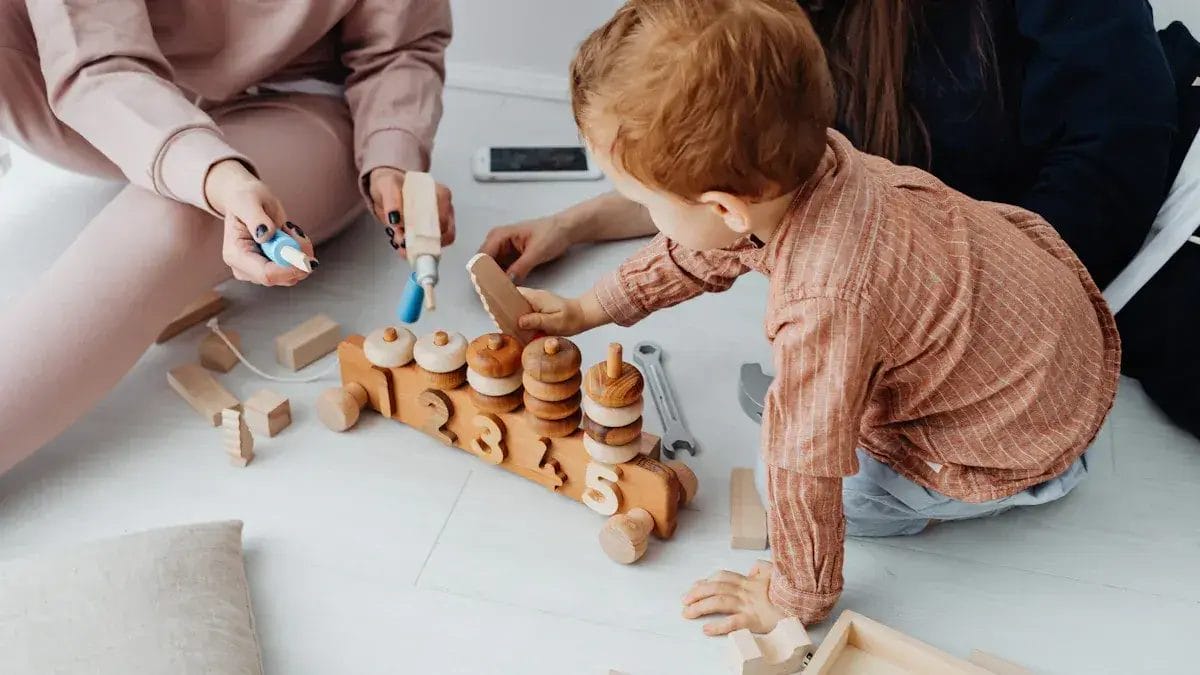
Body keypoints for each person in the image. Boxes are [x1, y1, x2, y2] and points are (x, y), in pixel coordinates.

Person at [515, 0, 1119, 631]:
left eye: (641, 200)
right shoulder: (815, 164)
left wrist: (791, 598)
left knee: (817, 484)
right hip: (1052, 328)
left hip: (1020, 435)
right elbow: (704, 255)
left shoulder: (823, 303)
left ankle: (1010, 488)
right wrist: (589, 307)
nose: (639, 210)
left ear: (725, 209)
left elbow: (806, 463)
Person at [480, 0, 1200, 439]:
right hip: (980, 244)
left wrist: (975, 329)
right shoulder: (788, 51)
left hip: (1153, 192)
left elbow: (1118, 149)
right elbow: (725, 192)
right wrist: (579, 225)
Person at [0, 0, 455, 476]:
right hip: (113, 84)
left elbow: (400, 44)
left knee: (176, 221)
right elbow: (97, 59)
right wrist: (211, 172)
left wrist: (391, 155)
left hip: (307, 103)